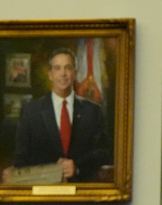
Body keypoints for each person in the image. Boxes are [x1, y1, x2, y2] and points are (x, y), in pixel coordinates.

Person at [12, 47, 112, 182]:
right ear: (50, 74)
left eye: (68, 68)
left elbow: (104, 153)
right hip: (42, 193)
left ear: (75, 74)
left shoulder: (93, 111)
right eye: (57, 68)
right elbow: (21, 158)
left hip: (82, 193)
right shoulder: (31, 111)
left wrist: (77, 167)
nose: (63, 74)